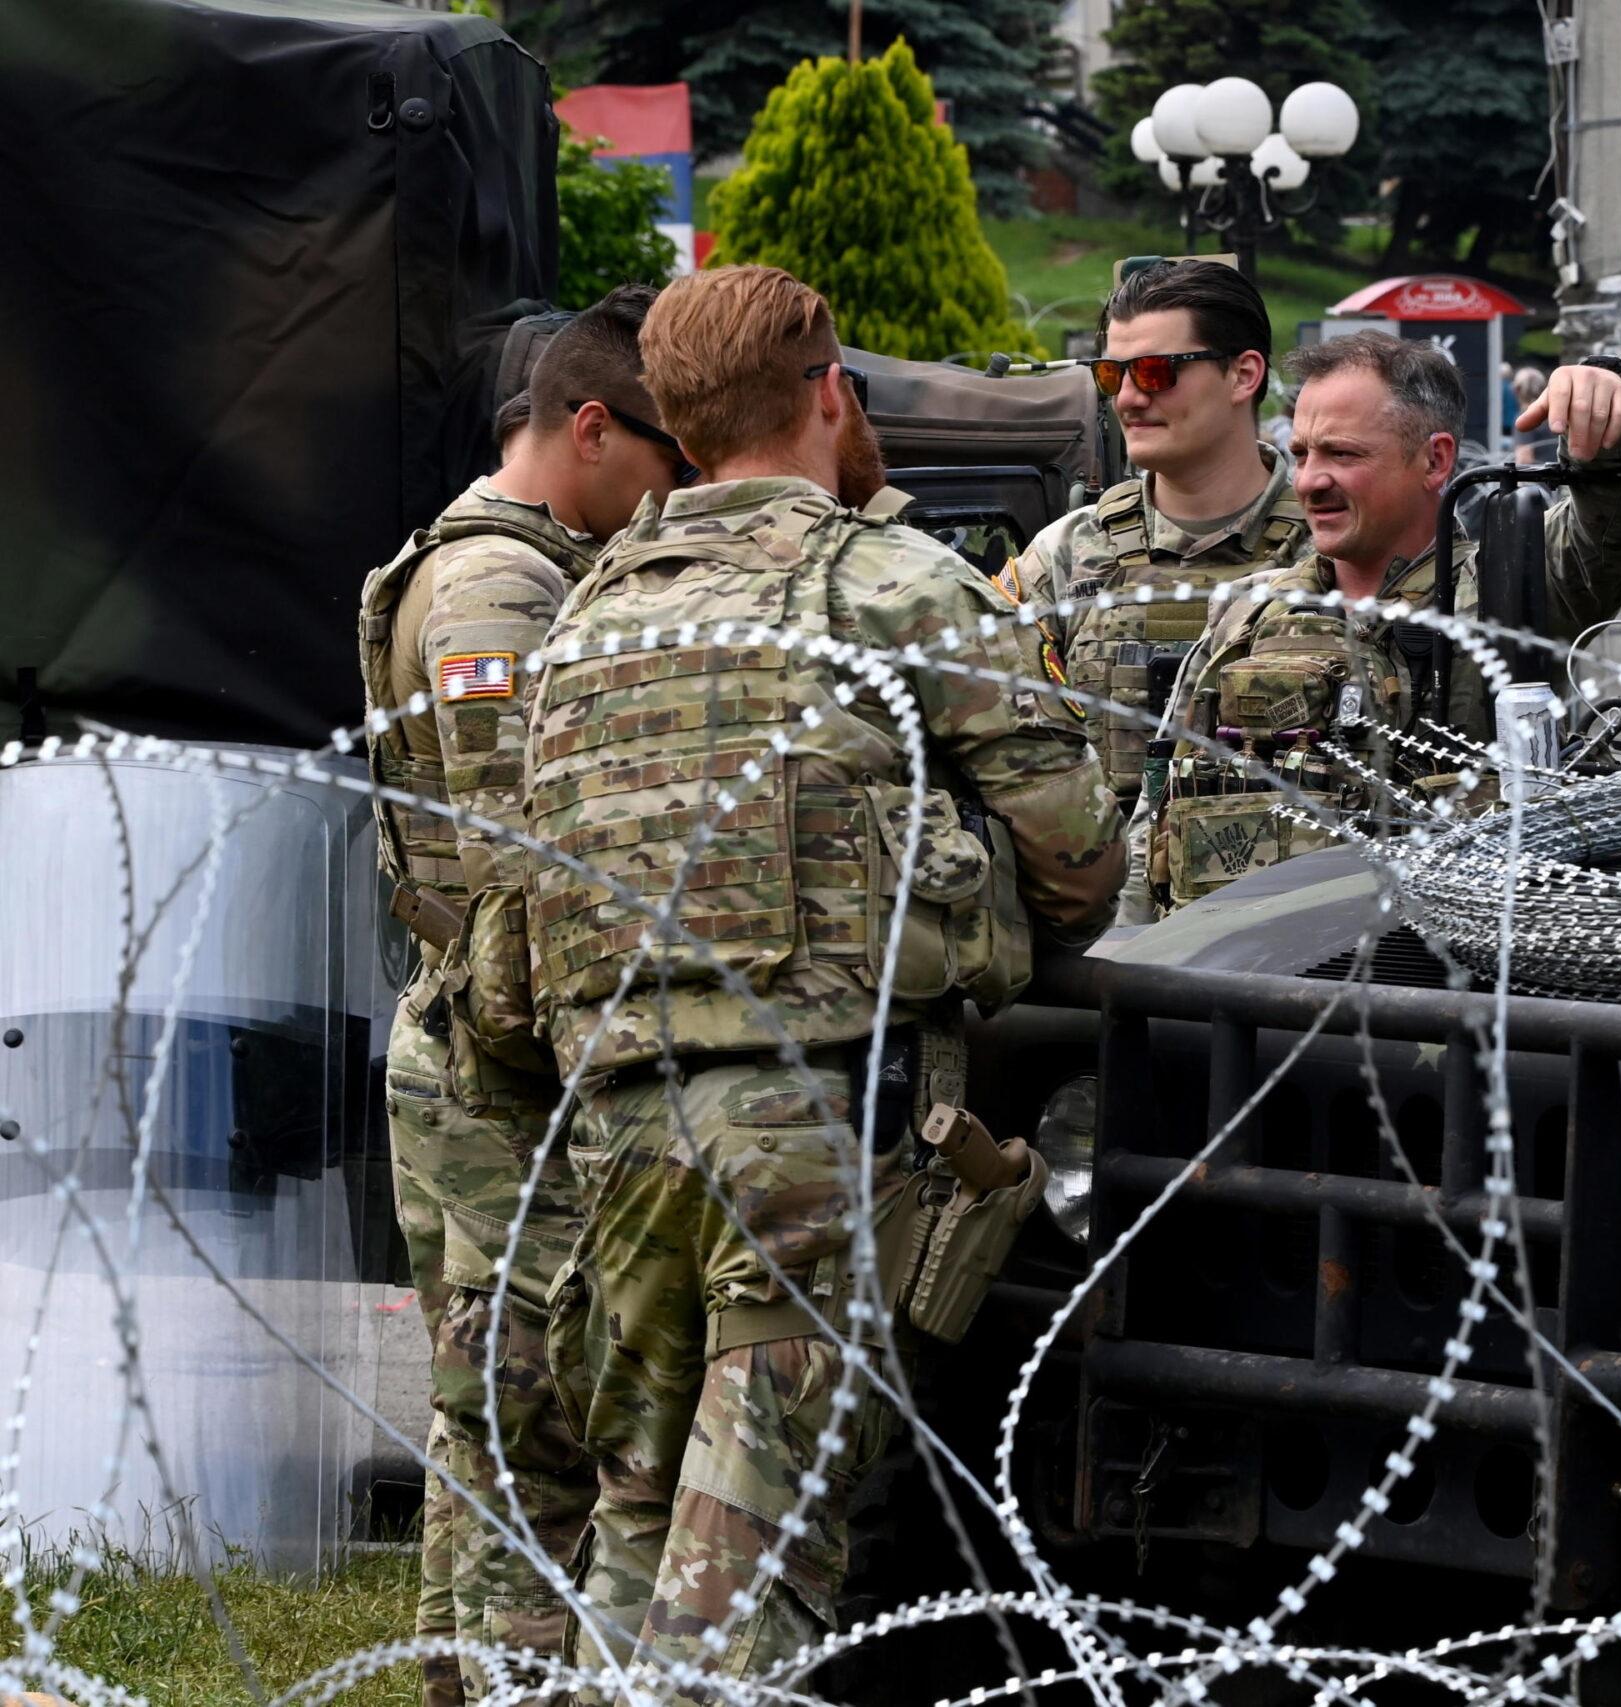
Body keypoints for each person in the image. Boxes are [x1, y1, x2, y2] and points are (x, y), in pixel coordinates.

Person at [521, 264, 1123, 1697]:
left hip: (612, 1133)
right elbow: (1081, 856)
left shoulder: (590, 616)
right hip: (808, 1135)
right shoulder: (886, 582)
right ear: (827, 393)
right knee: (749, 1583)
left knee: (638, 1523)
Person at [357, 284, 682, 1707]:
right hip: (497, 1059)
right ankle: (509, 1679)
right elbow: (519, 856)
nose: (674, 498)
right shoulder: (503, 585)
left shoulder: (529, 565)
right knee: (530, 1403)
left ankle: (465, 1676)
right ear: (594, 426)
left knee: (487, 1409)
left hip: (480, 1044)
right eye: (667, 461)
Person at [1153, 331, 1621, 908]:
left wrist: (1611, 401)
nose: (1309, 481)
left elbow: (1620, 528)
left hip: (1429, 976)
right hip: (1253, 971)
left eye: (1342, 454)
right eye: (1301, 453)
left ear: (1435, 460)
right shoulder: (1251, 613)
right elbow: (1166, 811)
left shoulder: (1512, 591)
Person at [1002, 260, 1311, 809]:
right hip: (1111, 886)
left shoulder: (1329, 548)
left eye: (1154, 372)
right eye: (1111, 374)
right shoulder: (1067, 556)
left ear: (1244, 375)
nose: (1127, 398)